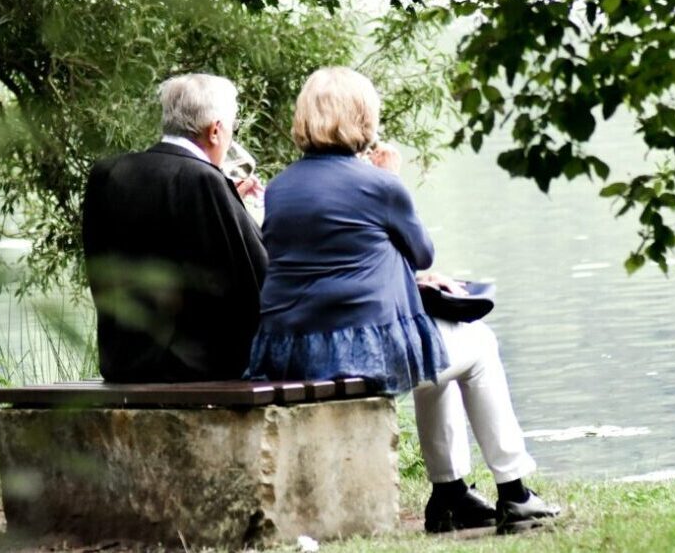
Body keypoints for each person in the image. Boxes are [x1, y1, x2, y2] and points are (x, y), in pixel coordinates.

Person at [246, 67, 559, 534]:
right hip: (357, 353)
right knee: (479, 344)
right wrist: (391, 179)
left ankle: (450, 494)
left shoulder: (282, 187)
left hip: (291, 350)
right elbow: (422, 251)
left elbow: (340, 252)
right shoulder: (378, 184)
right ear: (362, 117)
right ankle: (514, 491)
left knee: (441, 354)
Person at [82, 73, 266, 382]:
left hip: (122, 361)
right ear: (216, 131)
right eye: (232, 128)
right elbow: (255, 277)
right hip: (197, 367)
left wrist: (229, 199)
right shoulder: (204, 181)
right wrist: (249, 214)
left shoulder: (107, 174)